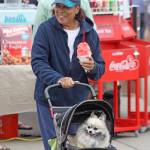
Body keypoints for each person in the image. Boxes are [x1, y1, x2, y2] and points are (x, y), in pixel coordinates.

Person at [31, 0, 105, 150]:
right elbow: (38, 62)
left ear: (77, 9)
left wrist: (92, 67)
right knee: (54, 146)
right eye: (58, 6)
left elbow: (100, 69)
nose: (61, 10)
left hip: (79, 102)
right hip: (50, 99)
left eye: (66, 7)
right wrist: (57, 78)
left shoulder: (89, 33)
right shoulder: (45, 29)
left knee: (79, 145)